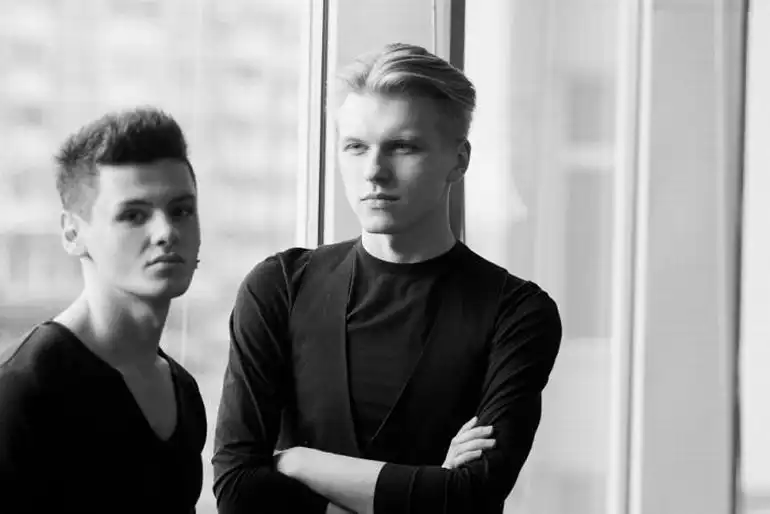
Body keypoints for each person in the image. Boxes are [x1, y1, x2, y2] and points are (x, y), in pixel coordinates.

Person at [212, 43, 562, 514]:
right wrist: (427, 488)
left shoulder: (515, 312)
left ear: (459, 160)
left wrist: (298, 462)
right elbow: (238, 491)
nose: (374, 172)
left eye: (403, 146)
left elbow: (470, 496)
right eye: (355, 146)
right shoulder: (279, 287)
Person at [0, 107, 207, 513]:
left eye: (181, 210)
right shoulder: (23, 392)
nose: (166, 232)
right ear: (72, 233)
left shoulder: (183, 391)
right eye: (134, 215)